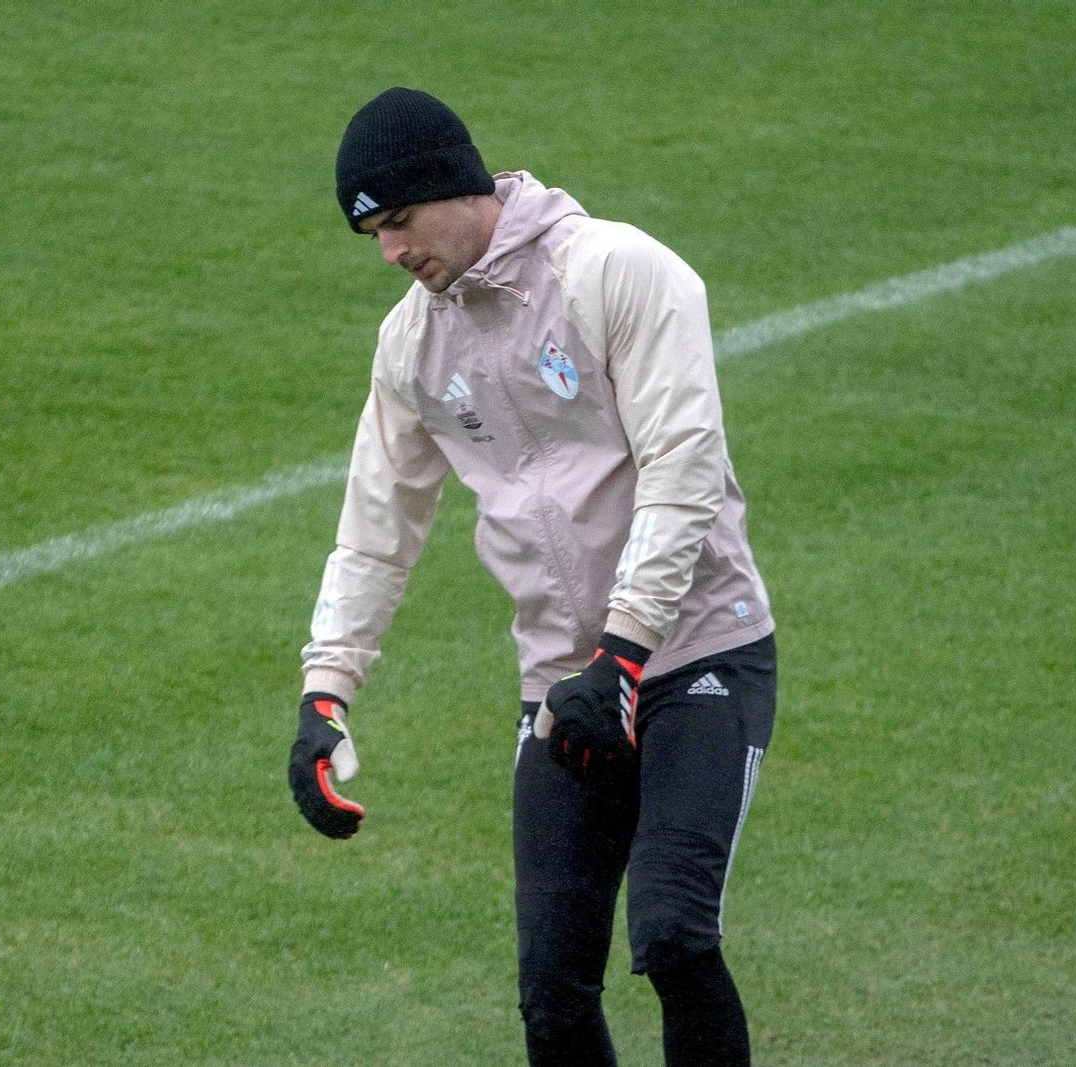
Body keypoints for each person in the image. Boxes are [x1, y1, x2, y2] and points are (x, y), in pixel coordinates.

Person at [287, 87, 778, 1067]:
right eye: (373, 235)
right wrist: (324, 690)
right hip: (562, 681)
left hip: (694, 653)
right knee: (551, 995)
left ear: (455, 186)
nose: (390, 251)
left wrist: (624, 651)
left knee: (673, 933)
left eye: (400, 221)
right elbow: (376, 531)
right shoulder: (411, 344)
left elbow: (682, 468)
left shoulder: (615, 270)